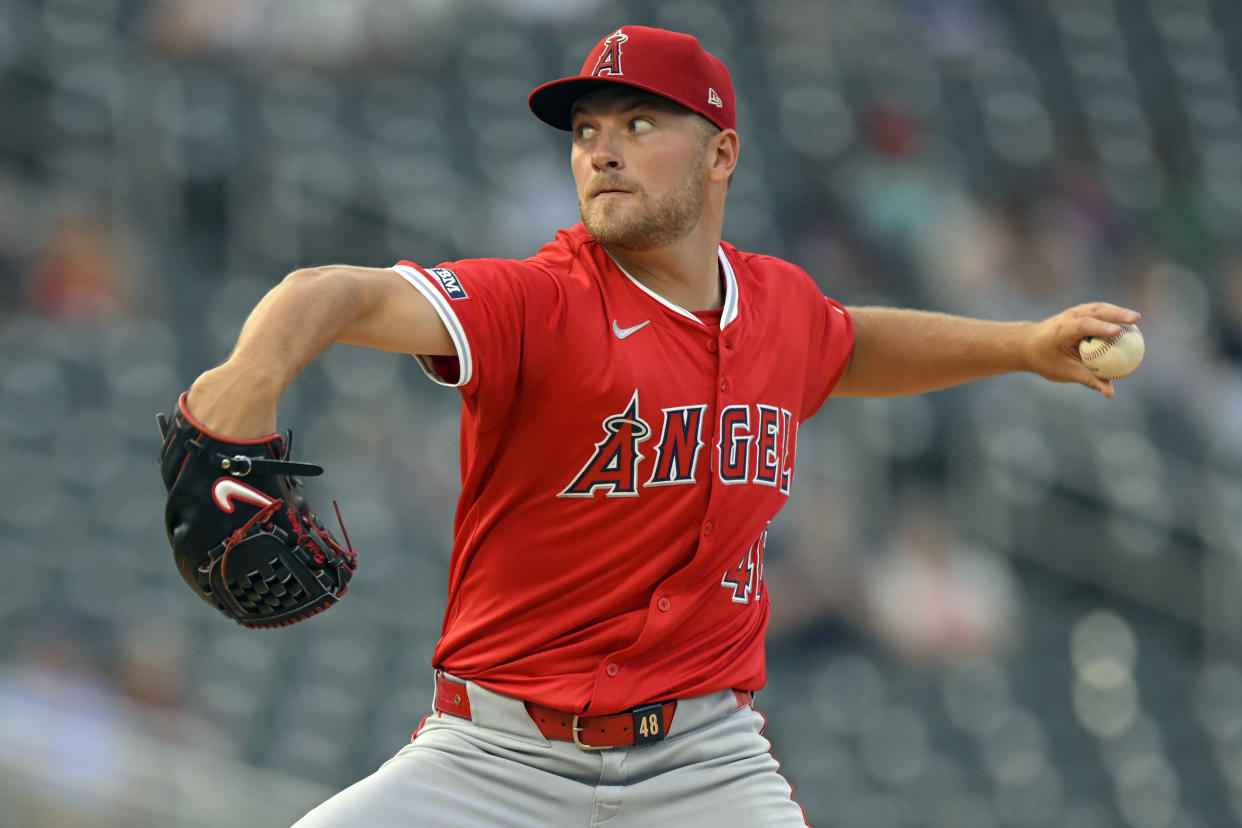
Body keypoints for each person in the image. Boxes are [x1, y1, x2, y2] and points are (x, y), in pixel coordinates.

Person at [181, 26, 1140, 828]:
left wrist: (1021, 343)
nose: (602, 148)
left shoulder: (778, 304)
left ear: (722, 152)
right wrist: (240, 394)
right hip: (493, 762)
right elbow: (330, 293)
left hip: (707, 768)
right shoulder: (538, 303)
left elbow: (848, 347)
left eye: (640, 123)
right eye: (587, 129)